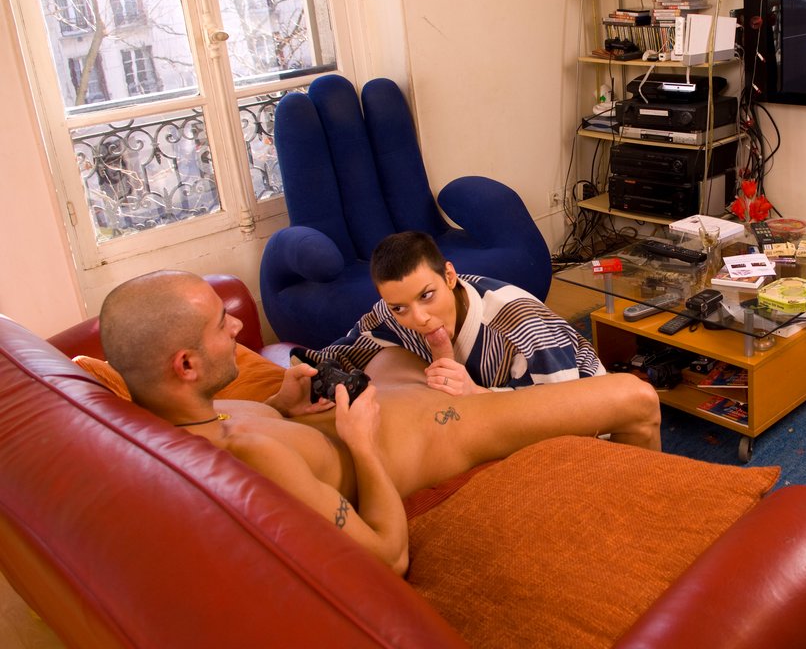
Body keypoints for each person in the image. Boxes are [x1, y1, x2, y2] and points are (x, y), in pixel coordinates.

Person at [99, 270, 661, 576]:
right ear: (186, 365)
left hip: (389, 393)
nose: (239, 327)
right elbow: (389, 557)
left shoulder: (203, 416)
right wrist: (362, 445)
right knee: (635, 397)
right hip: (449, 424)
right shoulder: (249, 454)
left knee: (387, 346)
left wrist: (281, 403)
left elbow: (269, 427)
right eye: (222, 324)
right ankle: (648, 531)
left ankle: (461, 350)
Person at [317, 231, 602, 395]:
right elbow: (338, 355)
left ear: (449, 276)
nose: (418, 318)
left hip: (588, 406)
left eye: (426, 296)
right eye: (400, 307)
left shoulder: (522, 325)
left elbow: (565, 407)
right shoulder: (391, 316)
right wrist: (303, 380)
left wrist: (476, 394)